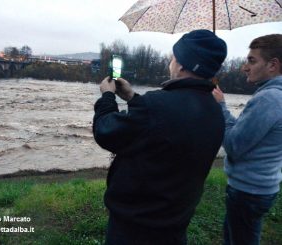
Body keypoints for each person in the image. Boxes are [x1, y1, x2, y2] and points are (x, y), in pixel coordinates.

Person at [93, 29, 227, 245]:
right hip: (175, 223)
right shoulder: (216, 112)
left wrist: (108, 97)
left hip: (135, 226)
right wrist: (132, 97)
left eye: (174, 56)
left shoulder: (157, 105)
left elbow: (106, 132)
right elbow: (164, 129)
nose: (170, 61)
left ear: (182, 64)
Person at [212, 34, 282, 245]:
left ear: (273, 65)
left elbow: (233, 145)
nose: (245, 67)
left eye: (252, 60)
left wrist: (221, 107)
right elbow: (246, 133)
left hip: (248, 191)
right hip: (260, 188)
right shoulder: (274, 96)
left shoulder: (269, 99)